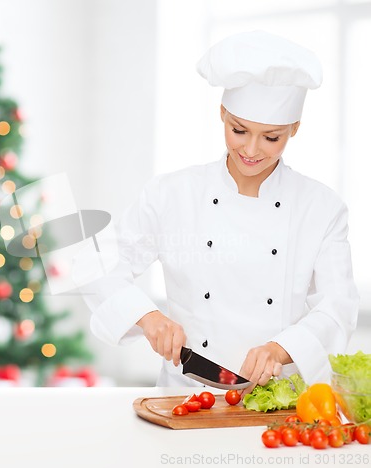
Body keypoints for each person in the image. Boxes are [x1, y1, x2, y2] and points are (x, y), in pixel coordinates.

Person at [81, 30, 359, 390]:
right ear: (222, 113)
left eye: (271, 137)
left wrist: (280, 349)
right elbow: (99, 264)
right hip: (186, 394)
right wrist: (148, 317)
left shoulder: (321, 208)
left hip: (273, 399)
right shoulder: (172, 193)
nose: (252, 150)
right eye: (239, 130)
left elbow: (338, 306)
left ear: (294, 129)